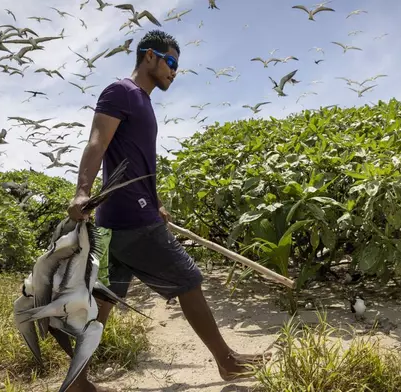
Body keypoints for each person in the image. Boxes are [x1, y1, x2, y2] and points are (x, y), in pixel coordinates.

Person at [66, 30, 271, 392]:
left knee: (104, 301)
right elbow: (97, 141)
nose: (174, 72)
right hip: (131, 218)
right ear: (149, 57)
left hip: (119, 220)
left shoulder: (143, 101)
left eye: (178, 66)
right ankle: (227, 362)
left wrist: (156, 201)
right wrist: (82, 191)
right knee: (189, 280)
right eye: (171, 62)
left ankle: (78, 380)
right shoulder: (121, 92)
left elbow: (140, 161)